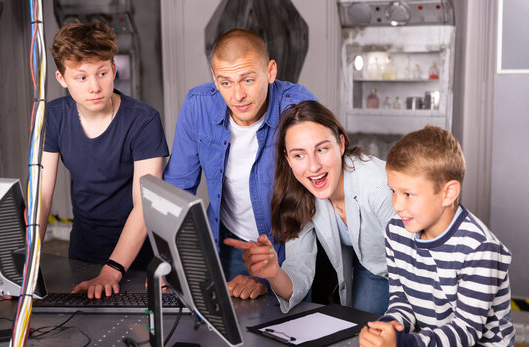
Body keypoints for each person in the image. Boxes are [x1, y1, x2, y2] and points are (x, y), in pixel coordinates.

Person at [162, 29, 316, 300]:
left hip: (287, 245)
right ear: (214, 78)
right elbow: (177, 189)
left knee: (282, 333)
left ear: (270, 72)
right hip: (229, 242)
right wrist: (173, 257)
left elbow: (317, 189)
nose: (238, 96)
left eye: (247, 79)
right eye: (226, 82)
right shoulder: (197, 106)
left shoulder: (297, 107)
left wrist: (270, 279)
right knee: (229, 326)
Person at [359, 125, 514, 347]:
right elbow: (402, 300)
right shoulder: (396, 232)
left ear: (448, 193)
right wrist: (389, 328)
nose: (397, 205)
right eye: (393, 191)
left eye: (408, 194)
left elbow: (466, 331)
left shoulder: (480, 249)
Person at [226, 100, 395, 314]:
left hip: (414, 266)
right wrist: (273, 272)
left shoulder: (378, 186)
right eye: (299, 155)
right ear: (287, 158)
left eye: (322, 149)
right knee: (362, 330)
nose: (313, 166)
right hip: (373, 264)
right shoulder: (301, 193)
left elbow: (422, 260)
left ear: (341, 145)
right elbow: (298, 272)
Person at [41, 23, 169, 299]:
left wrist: (112, 269)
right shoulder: (53, 117)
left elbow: (145, 206)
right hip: (81, 254)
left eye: (102, 73)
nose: (95, 87)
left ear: (113, 68)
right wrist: (25, 270)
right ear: (61, 78)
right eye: (81, 78)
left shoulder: (143, 120)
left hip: (137, 259)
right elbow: (41, 196)